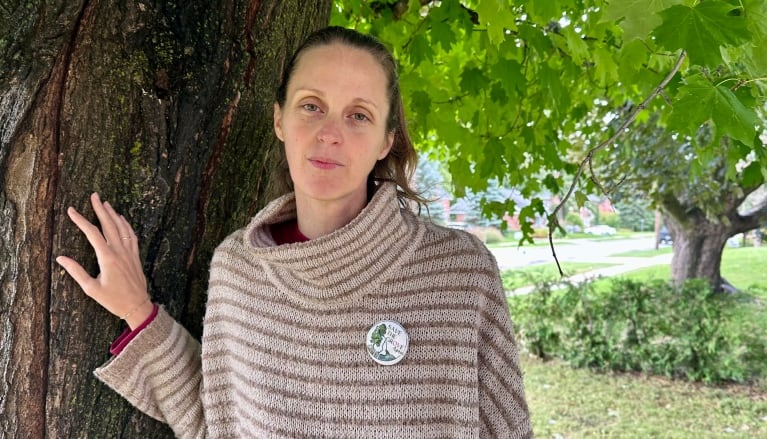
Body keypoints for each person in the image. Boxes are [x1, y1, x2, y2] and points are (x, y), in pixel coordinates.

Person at [57, 26, 533, 438]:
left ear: (387, 140)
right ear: (279, 119)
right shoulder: (239, 268)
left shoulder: (459, 275)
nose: (330, 133)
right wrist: (138, 311)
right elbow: (220, 422)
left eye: (359, 115)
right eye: (312, 106)